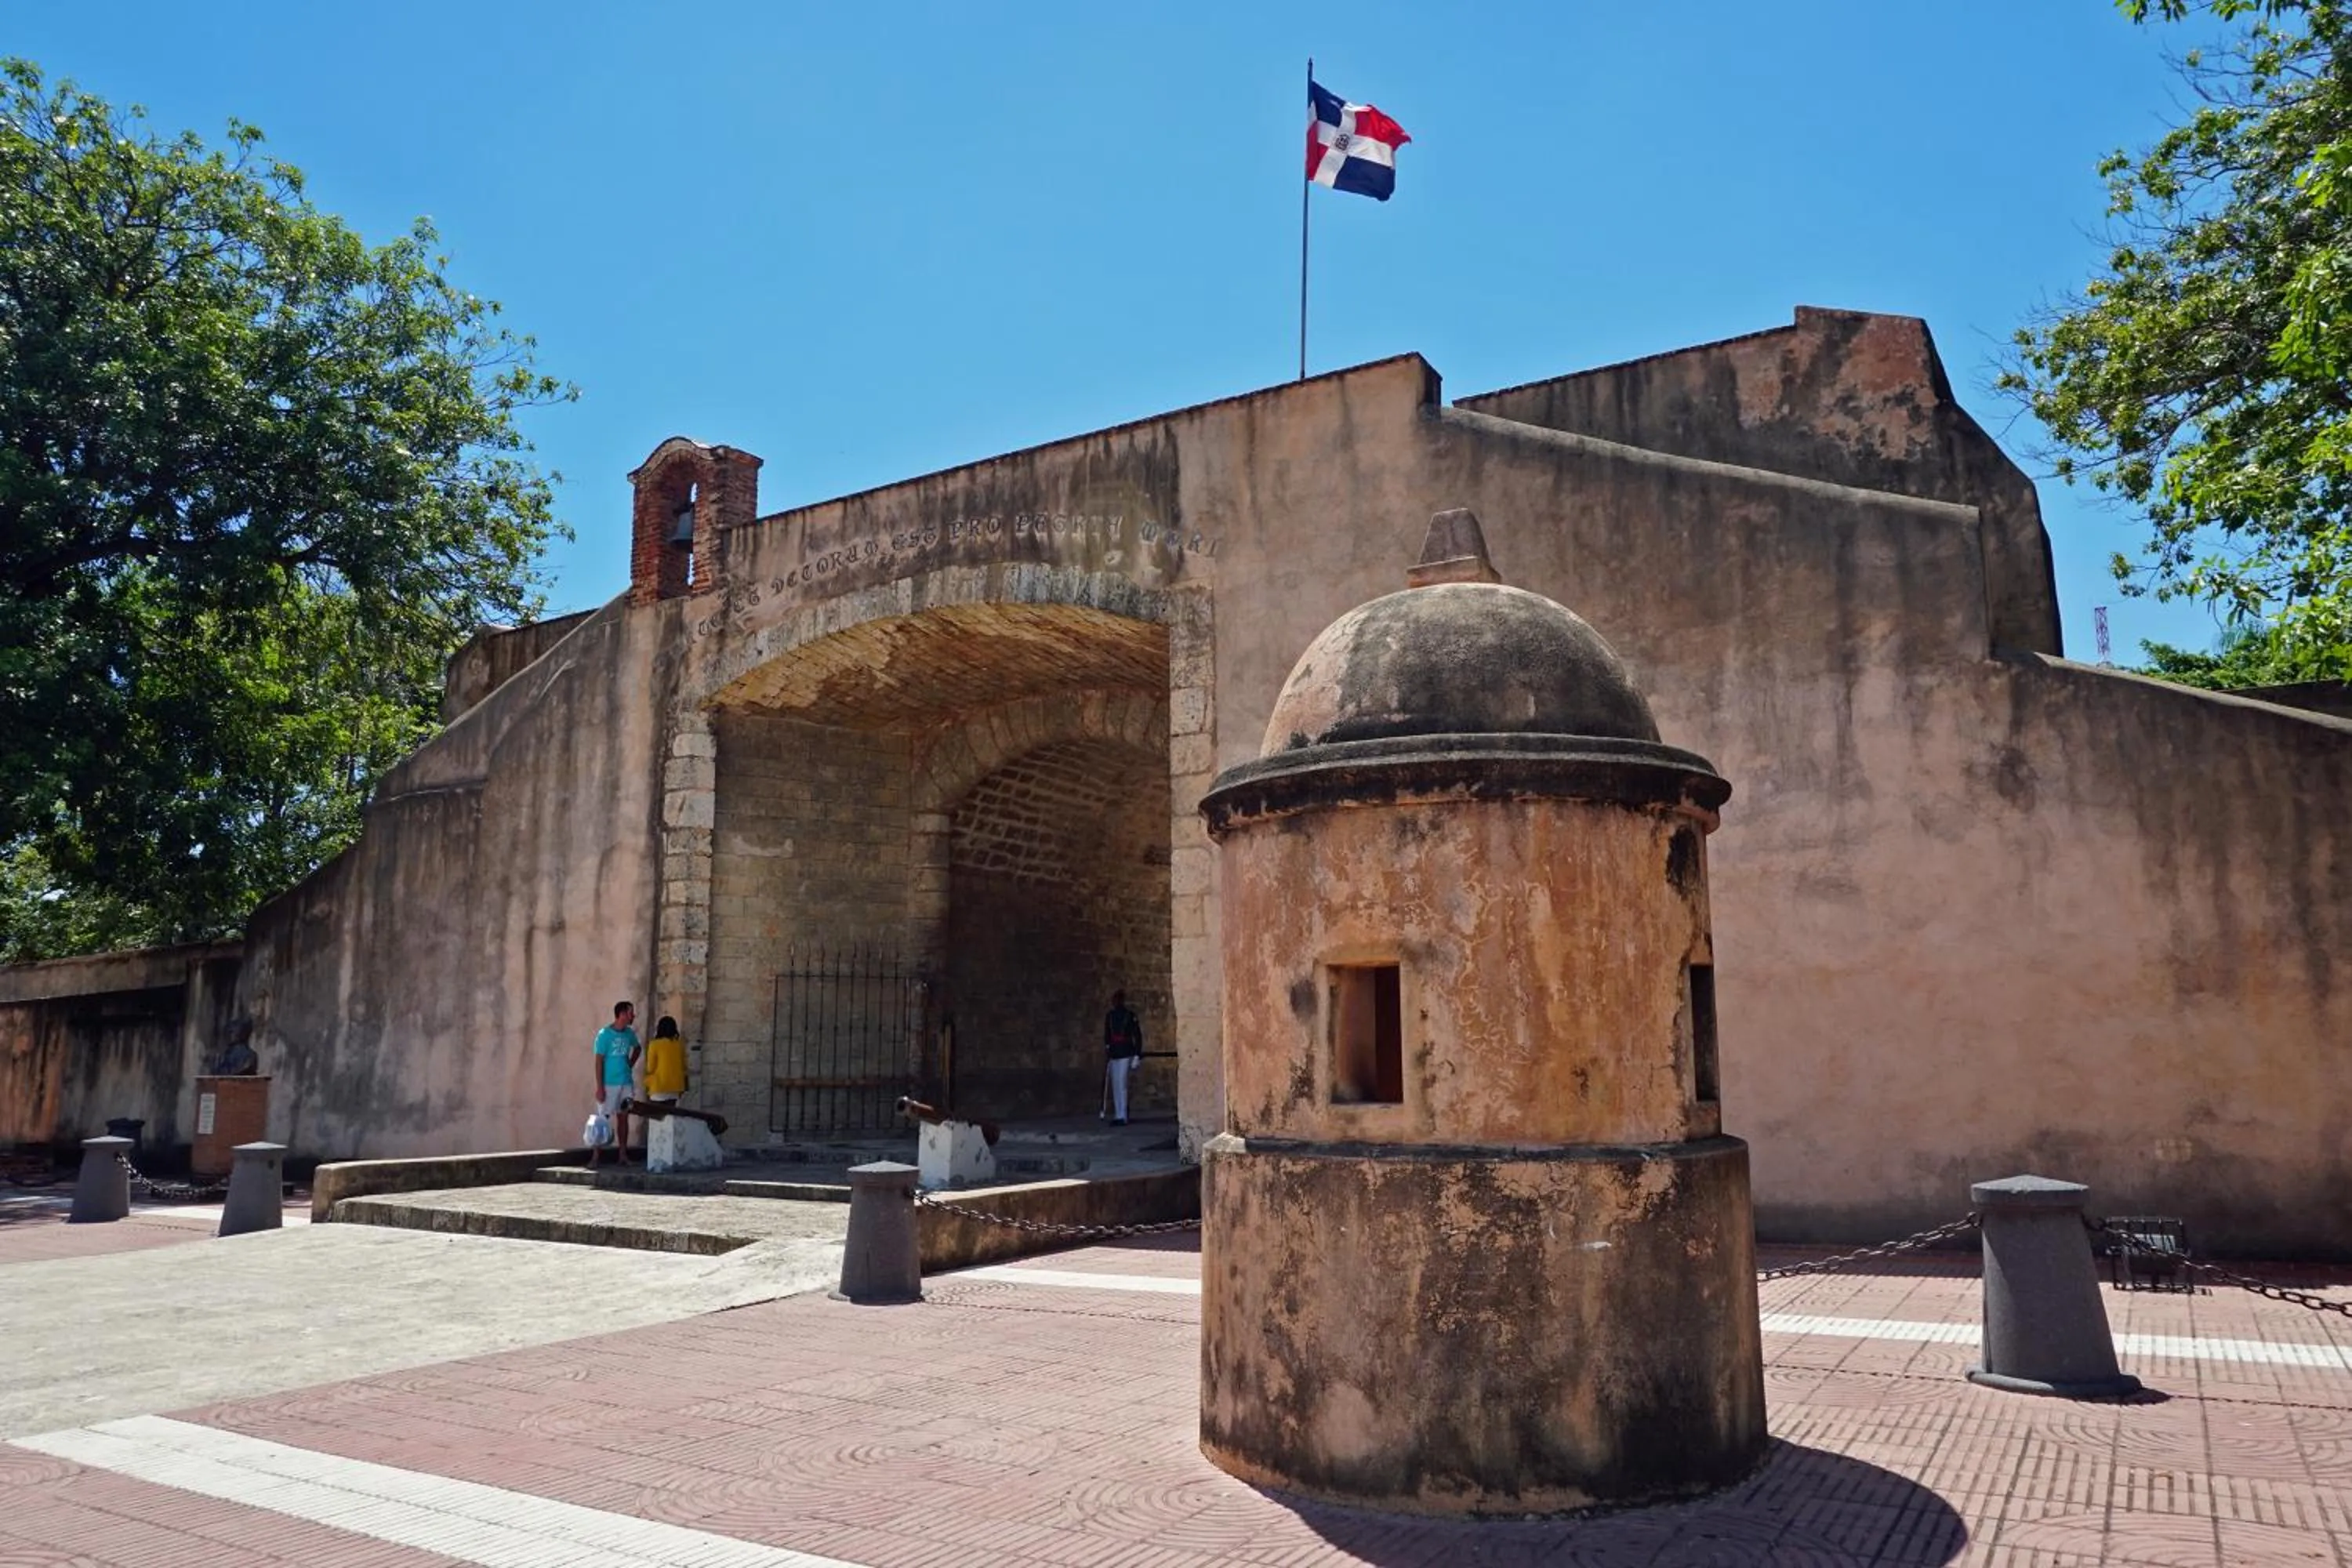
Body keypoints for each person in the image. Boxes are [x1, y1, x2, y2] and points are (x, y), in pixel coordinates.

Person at [591, 1001, 641, 1166]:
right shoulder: (604, 1035)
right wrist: (600, 1087)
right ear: (622, 1014)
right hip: (609, 1083)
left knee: (623, 1117)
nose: (633, 1016)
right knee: (602, 1118)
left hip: (626, 1082)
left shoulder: (629, 1034)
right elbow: (598, 1061)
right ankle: (596, 1156)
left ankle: (623, 1155)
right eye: (630, 1013)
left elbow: (637, 1048)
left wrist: (630, 1064)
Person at [1102, 989, 1144, 1127]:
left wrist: (1137, 1054)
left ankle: (1123, 1115)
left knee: (1122, 1083)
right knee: (1116, 1084)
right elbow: (1107, 1035)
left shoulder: (1130, 1016)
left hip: (1126, 1051)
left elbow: (1137, 1035)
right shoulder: (1110, 1016)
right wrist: (1108, 1047)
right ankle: (1118, 1114)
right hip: (1115, 1052)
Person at [644, 1015, 688, 1106]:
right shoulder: (679, 1045)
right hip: (675, 1088)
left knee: (656, 1114)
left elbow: (650, 1068)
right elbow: (684, 1066)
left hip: (658, 1087)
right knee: (670, 1114)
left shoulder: (654, 1044)